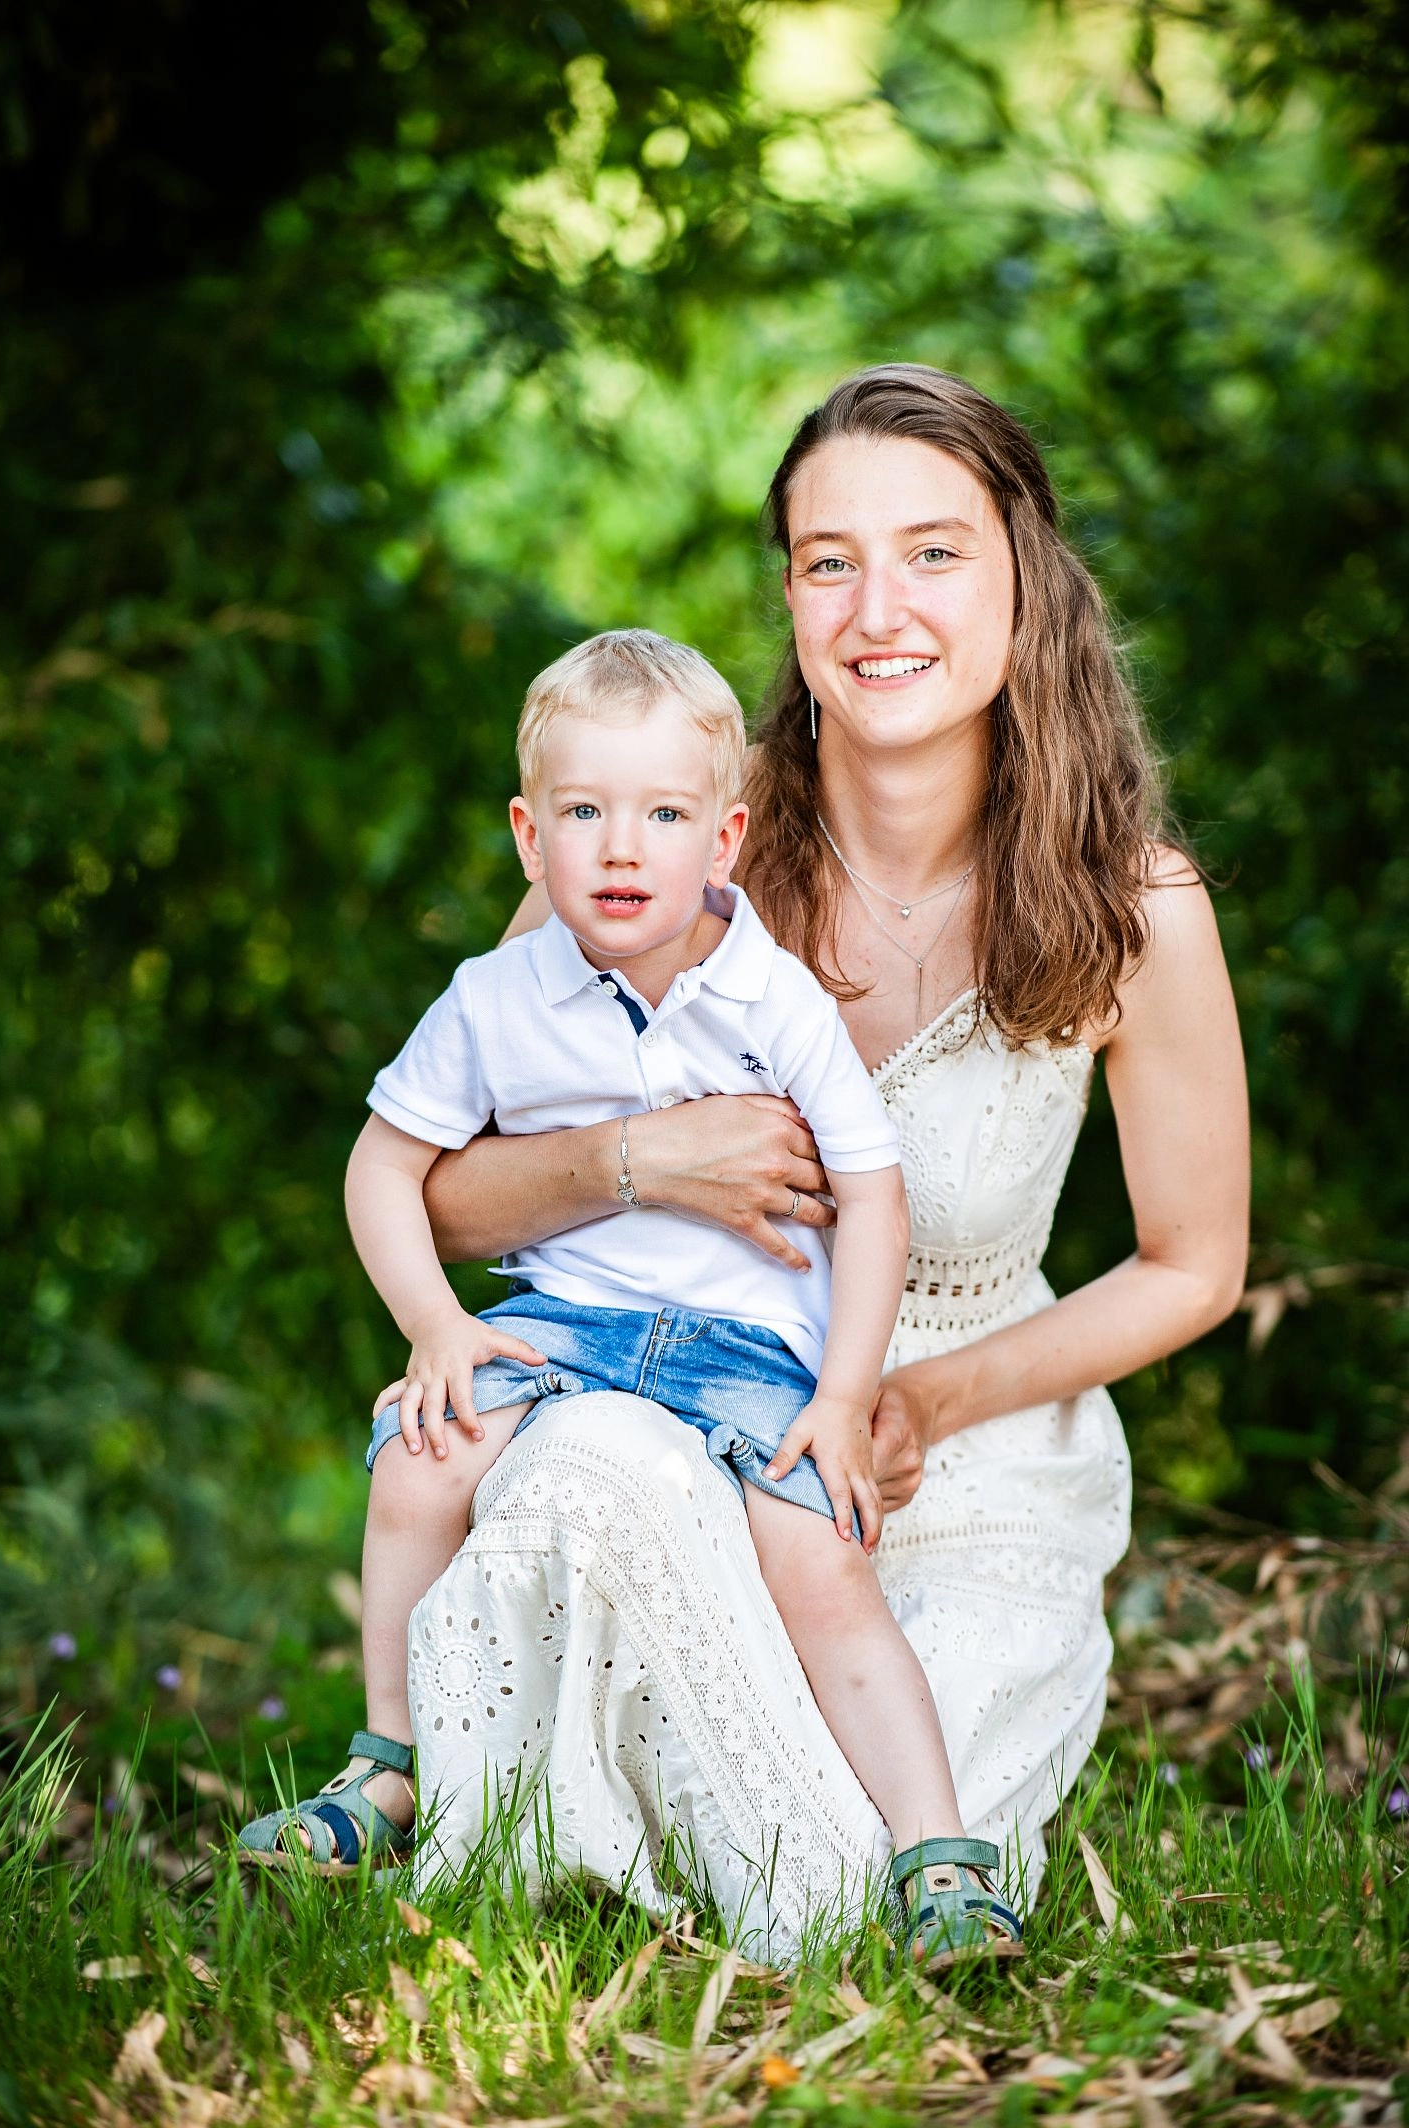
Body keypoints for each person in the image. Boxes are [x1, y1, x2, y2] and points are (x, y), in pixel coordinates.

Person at [394, 365, 1249, 1960]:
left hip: (977, 1460)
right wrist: (639, 1161)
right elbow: (440, 1201)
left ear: (1023, 576)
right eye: (829, 560)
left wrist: (923, 1399)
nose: (879, 607)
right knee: (599, 1474)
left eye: (934, 551)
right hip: (688, 1410)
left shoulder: (1138, 902)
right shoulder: (666, 849)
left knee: (902, 1840)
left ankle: (772, 1846)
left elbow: (1195, 1263)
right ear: (787, 596)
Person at [237, 627, 1021, 1961]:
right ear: (527, 837)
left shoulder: (770, 994)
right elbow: (383, 1167)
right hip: (560, 1327)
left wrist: (843, 1395)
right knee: (420, 1457)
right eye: (584, 812)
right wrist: (437, 1327)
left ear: (721, 842)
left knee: (820, 1558)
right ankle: (388, 1763)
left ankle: (936, 1853)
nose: (619, 847)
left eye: (660, 814)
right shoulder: (496, 998)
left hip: (742, 1342)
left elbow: (875, 1193)